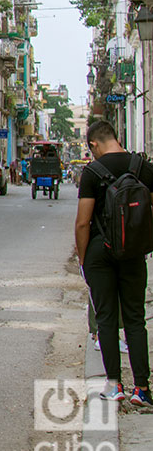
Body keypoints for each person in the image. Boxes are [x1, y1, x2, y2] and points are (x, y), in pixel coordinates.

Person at [77, 120, 153, 405]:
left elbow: (83, 222)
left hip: (100, 252)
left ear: (94, 144)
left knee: (107, 319)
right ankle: (142, 389)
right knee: (135, 318)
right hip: (133, 250)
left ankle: (114, 385)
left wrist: (84, 260)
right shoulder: (141, 166)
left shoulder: (92, 172)